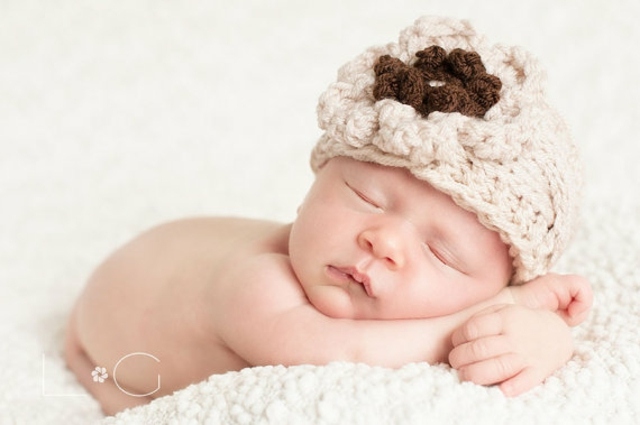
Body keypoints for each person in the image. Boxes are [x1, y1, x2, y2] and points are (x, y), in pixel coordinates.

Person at [64, 16, 593, 416]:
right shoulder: (258, 285)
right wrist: (509, 307)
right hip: (106, 341)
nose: (383, 241)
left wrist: (543, 333)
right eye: (366, 198)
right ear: (313, 186)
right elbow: (349, 352)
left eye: (441, 252)